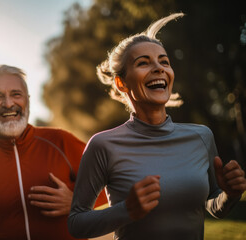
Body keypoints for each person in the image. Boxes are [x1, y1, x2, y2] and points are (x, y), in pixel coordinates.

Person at [68, 13, 246, 240]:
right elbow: (76, 222)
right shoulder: (103, 145)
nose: (159, 68)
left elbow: (214, 206)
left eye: (164, 62)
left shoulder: (201, 137)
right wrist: (127, 210)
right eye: (143, 63)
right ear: (121, 83)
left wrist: (230, 195)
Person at [0, 65, 107, 240]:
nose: (8, 103)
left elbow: (112, 180)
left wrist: (79, 201)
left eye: (16, 94)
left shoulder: (61, 141)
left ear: (27, 101)